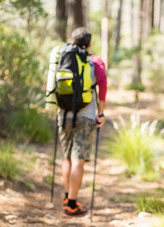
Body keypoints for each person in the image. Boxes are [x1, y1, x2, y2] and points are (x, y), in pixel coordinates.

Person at [46, 27, 107, 217]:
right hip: (85, 115)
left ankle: (66, 196)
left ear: (72, 42)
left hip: (64, 114)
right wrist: (101, 113)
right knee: (78, 158)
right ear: (89, 44)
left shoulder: (63, 55)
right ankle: (72, 204)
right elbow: (102, 85)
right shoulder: (94, 61)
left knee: (66, 156)